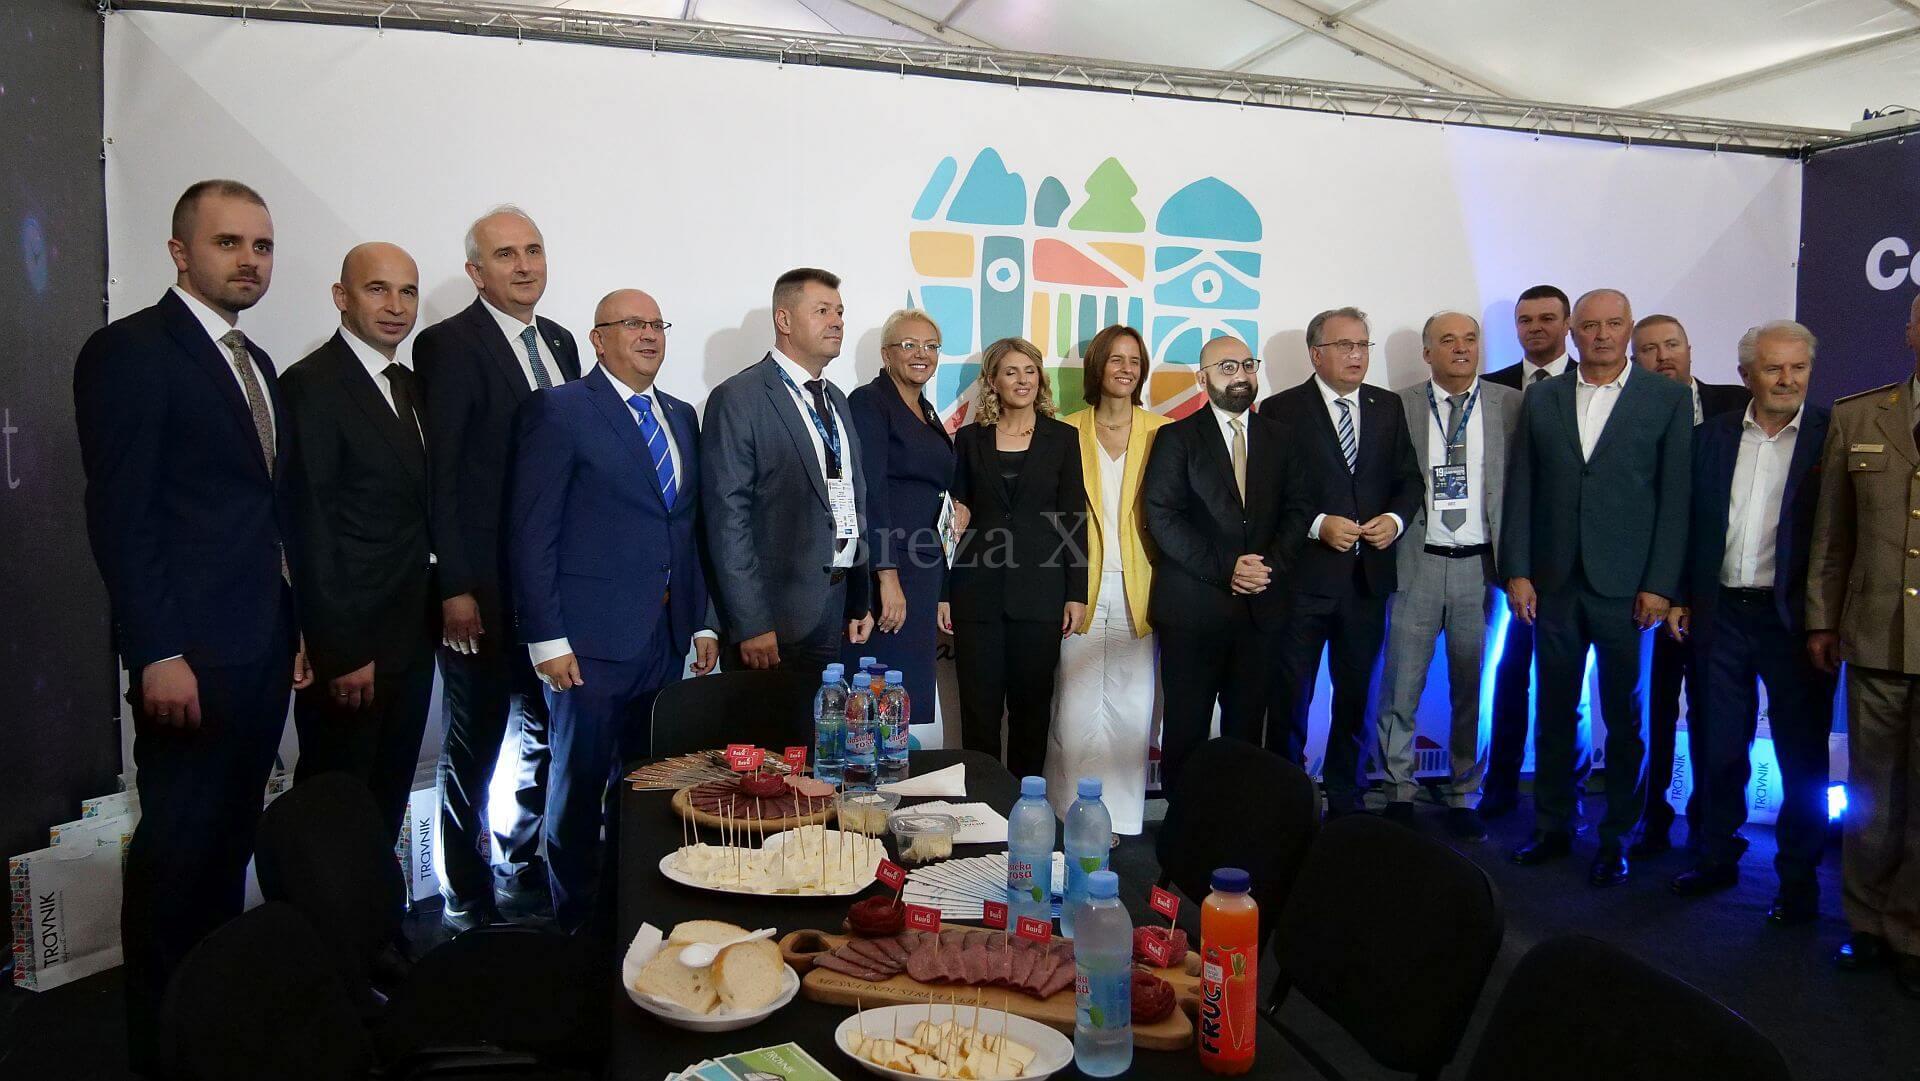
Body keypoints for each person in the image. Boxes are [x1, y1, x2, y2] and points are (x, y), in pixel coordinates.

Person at [73, 179, 312, 1068]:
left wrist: (292, 626)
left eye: (262, 245)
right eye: (228, 242)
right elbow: (122, 515)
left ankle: (212, 1030)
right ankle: (162, 1046)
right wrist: (156, 650)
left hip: (258, 645)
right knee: (177, 857)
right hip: (189, 656)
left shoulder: (257, 362)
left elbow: (263, 517)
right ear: (180, 251)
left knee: (225, 849)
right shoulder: (132, 351)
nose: (249, 260)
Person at [509, 289, 718, 931]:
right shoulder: (560, 409)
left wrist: (701, 619)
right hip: (588, 642)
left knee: (647, 785)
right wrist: (546, 638)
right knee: (577, 787)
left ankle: (635, 913)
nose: (649, 334)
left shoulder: (681, 415)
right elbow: (532, 532)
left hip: (664, 636)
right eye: (632, 324)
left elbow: (686, 529)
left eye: (657, 323)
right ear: (598, 339)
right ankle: (575, 922)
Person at [417, 204, 583, 932]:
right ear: (475, 271)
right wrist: (454, 583)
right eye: (506, 254)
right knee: (474, 744)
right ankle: (465, 892)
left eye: (533, 250)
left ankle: (521, 869)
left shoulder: (563, 342)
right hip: (479, 587)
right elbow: (444, 474)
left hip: (545, 587)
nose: (524, 266)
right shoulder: (448, 344)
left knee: (541, 734)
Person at [1502, 288, 1690, 888]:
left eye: (1613, 324)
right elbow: (1523, 486)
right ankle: (1553, 826)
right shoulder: (1544, 397)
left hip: (1628, 589)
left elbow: (1676, 500)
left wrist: (1660, 584)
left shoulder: (1666, 398)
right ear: (1572, 333)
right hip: (1554, 583)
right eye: (1590, 325)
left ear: (1628, 329)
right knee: (1554, 711)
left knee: (1627, 720)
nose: (1601, 335)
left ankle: (1617, 838)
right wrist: (1518, 569)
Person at [1665, 321, 1833, 926]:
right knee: (1718, 745)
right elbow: (1686, 522)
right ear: (1746, 375)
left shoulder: (1833, 437)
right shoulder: (1708, 438)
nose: (1787, 380)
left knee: (1801, 755)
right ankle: (1716, 856)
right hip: (1720, 613)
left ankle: (1798, 880)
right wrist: (1679, 595)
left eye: (1798, 368)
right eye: (1773, 368)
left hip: (1795, 622)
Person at [282, 243, 437, 858]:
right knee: (336, 812)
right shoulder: (311, 384)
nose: (396, 306)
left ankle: (377, 913)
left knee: (387, 800)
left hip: (411, 634)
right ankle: (327, 921)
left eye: (407, 292)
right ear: (341, 297)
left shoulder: (413, 386)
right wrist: (342, 650)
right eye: (378, 289)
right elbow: (310, 526)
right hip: (352, 646)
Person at [1260, 307, 1422, 816]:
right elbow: (1269, 493)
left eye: (1363, 345)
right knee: (1291, 697)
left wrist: (1394, 520)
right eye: (1345, 345)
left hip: (1366, 581)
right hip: (1303, 581)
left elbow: (1409, 479)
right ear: (1316, 354)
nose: (1357, 355)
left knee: (1357, 696)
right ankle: (1286, 797)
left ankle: (1347, 794)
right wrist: (1316, 524)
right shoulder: (1281, 410)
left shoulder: (1386, 406)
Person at [1807, 290, 1920, 993]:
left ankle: (1911, 928)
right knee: (1871, 792)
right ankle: (1867, 922)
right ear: (1909, 330)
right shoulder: (1859, 415)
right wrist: (1822, 620)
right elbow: (1831, 536)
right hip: (1876, 635)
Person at [1375, 312, 1521, 841]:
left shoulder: (1511, 405)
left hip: (1481, 569)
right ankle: (1398, 789)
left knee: (1472, 687)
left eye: (1470, 338)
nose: (1461, 348)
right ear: (1427, 353)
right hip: (1417, 561)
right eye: (1448, 340)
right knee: (1400, 686)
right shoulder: (1399, 406)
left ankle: (1464, 793)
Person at [1141, 335, 1296, 798]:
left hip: (1261, 610)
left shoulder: (1282, 438)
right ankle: (1183, 825)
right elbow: (1162, 517)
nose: (1241, 375)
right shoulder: (1176, 437)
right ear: (1202, 378)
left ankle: (1238, 824)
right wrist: (1230, 568)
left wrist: (1265, 570)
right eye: (1227, 367)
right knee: (1185, 730)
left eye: (1248, 364)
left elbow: (1299, 512)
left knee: (1247, 735)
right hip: (1194, 611)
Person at [704, 268, 874, 672]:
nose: (837, 322)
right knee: (764, 717)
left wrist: (859, 598)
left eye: (840, 312)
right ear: (784, 320)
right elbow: (728, 519)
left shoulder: (837, 399)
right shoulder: (739, 397)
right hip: (770, 619)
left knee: (821, 716)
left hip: (835, 604)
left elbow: (848, 494)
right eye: (822, 311)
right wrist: (751, 622)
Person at [1631, 312, 1754, 854]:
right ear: (1635, 360)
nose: (1663, 357)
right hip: (1648, 592)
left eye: (1672, 345)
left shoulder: (1736, 405)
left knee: (1718, 715)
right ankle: (1651, 817)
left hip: (1717, 596)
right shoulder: (1627, 411)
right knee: (1651, 713)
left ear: (1689, 349)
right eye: (1650, 349)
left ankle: (1713, 824)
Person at [938, 337, 1088, 779]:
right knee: (978, 713)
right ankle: (982, 803)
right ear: (993, 381)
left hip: (1041, 595)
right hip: (975, 593)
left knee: (1032, 713)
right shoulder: (969, 440)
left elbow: (1073, 519)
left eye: (1029, 370)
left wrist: (1076, 592)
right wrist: (944, 591)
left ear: (1040, 377)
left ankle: (1027, 806)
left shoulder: (1063, 438)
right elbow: (951, 521)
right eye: (1010, 372)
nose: (1022, 380)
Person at [1048, 325, 1170, 835]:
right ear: (1097, 366)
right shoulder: (1064, 429)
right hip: (1078, 587)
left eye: (1134, 361)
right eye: (1116, 359)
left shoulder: (1164, 431)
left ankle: (1117, 819)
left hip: (1142, 586)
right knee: (1073, 707)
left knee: (1132, 708)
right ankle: (1065, 814)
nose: (1125, 369)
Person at [1482, 283, 1582, 821]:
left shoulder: (1594, 385)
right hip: (1512, 560)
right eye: (1526, 320)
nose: (1536, 327)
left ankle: (1562, 791)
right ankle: (1499, 785)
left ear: (1567, 325)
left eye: (1547, 318)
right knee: (1510, 675)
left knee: (1569, 688)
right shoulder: (1491, 387)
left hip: (1579, 566)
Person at [843, 309, 955, 717]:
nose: (921, 354)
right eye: (909, 345)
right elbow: (869, 492)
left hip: (924, 568)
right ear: (886, 353)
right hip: (891, 569)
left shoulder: (926, 410)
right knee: (877, 698)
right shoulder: (870, 402)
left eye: (930, 346)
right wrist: (886, 576)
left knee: (905, 702)